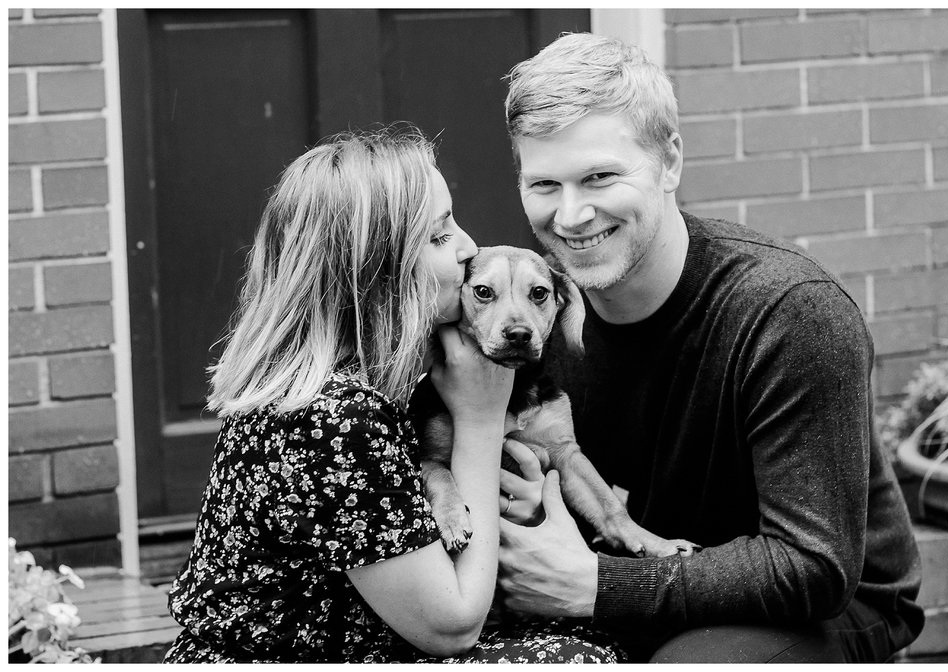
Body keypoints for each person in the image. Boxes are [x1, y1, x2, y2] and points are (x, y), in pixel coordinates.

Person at [494, 33, 925, 663]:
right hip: (622, 584)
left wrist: (596, 585)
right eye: (544, 185)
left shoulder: (787, 311)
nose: (572, 214)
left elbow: (814, 566)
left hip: (818, 610)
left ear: (669, 161)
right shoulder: (530, 308)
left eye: (600, 177)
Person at [162, 128, 624, 663]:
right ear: (377, 274)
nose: (469, 247)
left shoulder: (366, 382)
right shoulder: (334, 418)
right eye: (438, 235)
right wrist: (479, 420)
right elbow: (452, 627)